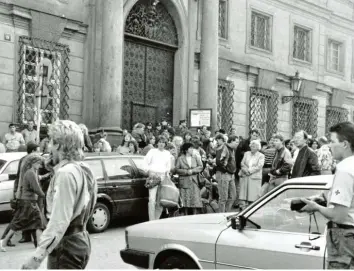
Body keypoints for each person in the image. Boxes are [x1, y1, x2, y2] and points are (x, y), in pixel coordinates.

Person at [20, 120, 98, 269]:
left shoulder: (65, 174)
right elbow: (89, 205)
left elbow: (59, 221)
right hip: (81, 238)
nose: (48, 147)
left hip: (66, 243)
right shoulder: (84, 168)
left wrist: (36, 258)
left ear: (58, 144)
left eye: (50, 142)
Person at [301, 122, 354, 269]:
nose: (329, 146)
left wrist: (316, 207)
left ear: (345, 144)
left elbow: (338, 215)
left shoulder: (345, 170)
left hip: (344, 236)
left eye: (332, 141)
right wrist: (324, 198)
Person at [1, 154, 46, 252]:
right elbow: (36, 188)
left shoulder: (31, 172)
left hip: (30, 201)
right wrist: (44, 195)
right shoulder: (30, 173)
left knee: (38, 222)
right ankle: (3, 241)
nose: (40, 165)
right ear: (33, 163)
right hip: (28, 201)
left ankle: (39, 246)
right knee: (19, 223)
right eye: (38, 163)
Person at [143, 135, 171, 220]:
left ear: (165, 144)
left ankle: (156, 219)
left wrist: (167, 175)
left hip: (163, 177)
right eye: (160, 142)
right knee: (152, 200)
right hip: (153, 176)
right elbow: (144, 163)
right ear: (157, 143)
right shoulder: (152, 151)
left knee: (160, 201)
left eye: (163, 142)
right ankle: (151, 220)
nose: (161, 144)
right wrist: (149, 172)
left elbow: (168, 167)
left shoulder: (167, 153)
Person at [175, 143, 203, 215]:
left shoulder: (195, 157)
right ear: (186, 150)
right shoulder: (180, 158)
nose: (192, 150)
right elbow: (177, 169)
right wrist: (186, 172)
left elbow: (200, 167)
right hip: (184, 181)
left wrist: (193, 171)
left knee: (195, 197)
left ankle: (195, 214)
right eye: (190, 148)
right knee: (185, 199)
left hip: (194, 180)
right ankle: (185, 214)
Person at [238, 140, 265, 209]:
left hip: (254, 178)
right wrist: (245, 170)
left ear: (258, 148)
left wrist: (249, 171)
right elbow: (242, 163)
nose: (252, 148)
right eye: (251, 146)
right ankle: (242, 209)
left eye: (254, 146)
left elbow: (259, 166)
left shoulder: (261, 156)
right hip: (245, 176)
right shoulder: (246, 153)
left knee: (253, 196)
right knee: (243, 196)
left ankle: (252, 210)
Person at [215, 134, 236, 213]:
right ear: (231, 141)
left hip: (231, 174)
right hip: (224, 174)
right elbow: (219, 161)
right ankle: (221, 215)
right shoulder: (224, 148)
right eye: (236, 142)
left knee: (233, 196)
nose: (237, 144)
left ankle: (226, 213)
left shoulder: (232, 149)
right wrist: (226, 169)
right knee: (223, 197)